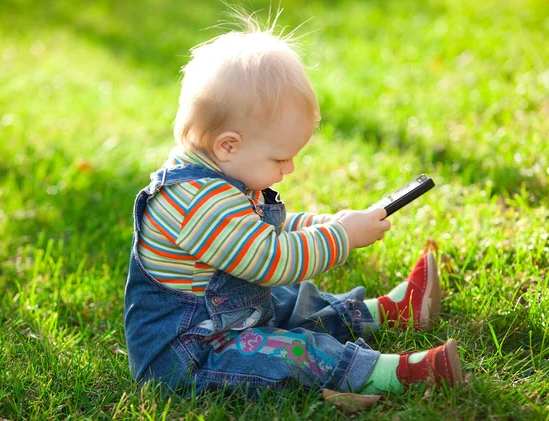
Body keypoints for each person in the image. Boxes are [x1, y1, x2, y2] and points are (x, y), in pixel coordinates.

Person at [123, 11, 463, 400]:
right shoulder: (196, 202)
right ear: (228, 144)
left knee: (289, 300)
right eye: (279, 158)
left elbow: (262, 232)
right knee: (291, 349)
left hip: (223, 320)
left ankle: (387, 311)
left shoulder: (217, 175)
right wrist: (342, 238)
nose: (290, 167)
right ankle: (393, 374)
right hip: (188, 357)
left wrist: (325, 223)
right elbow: (271, 260)